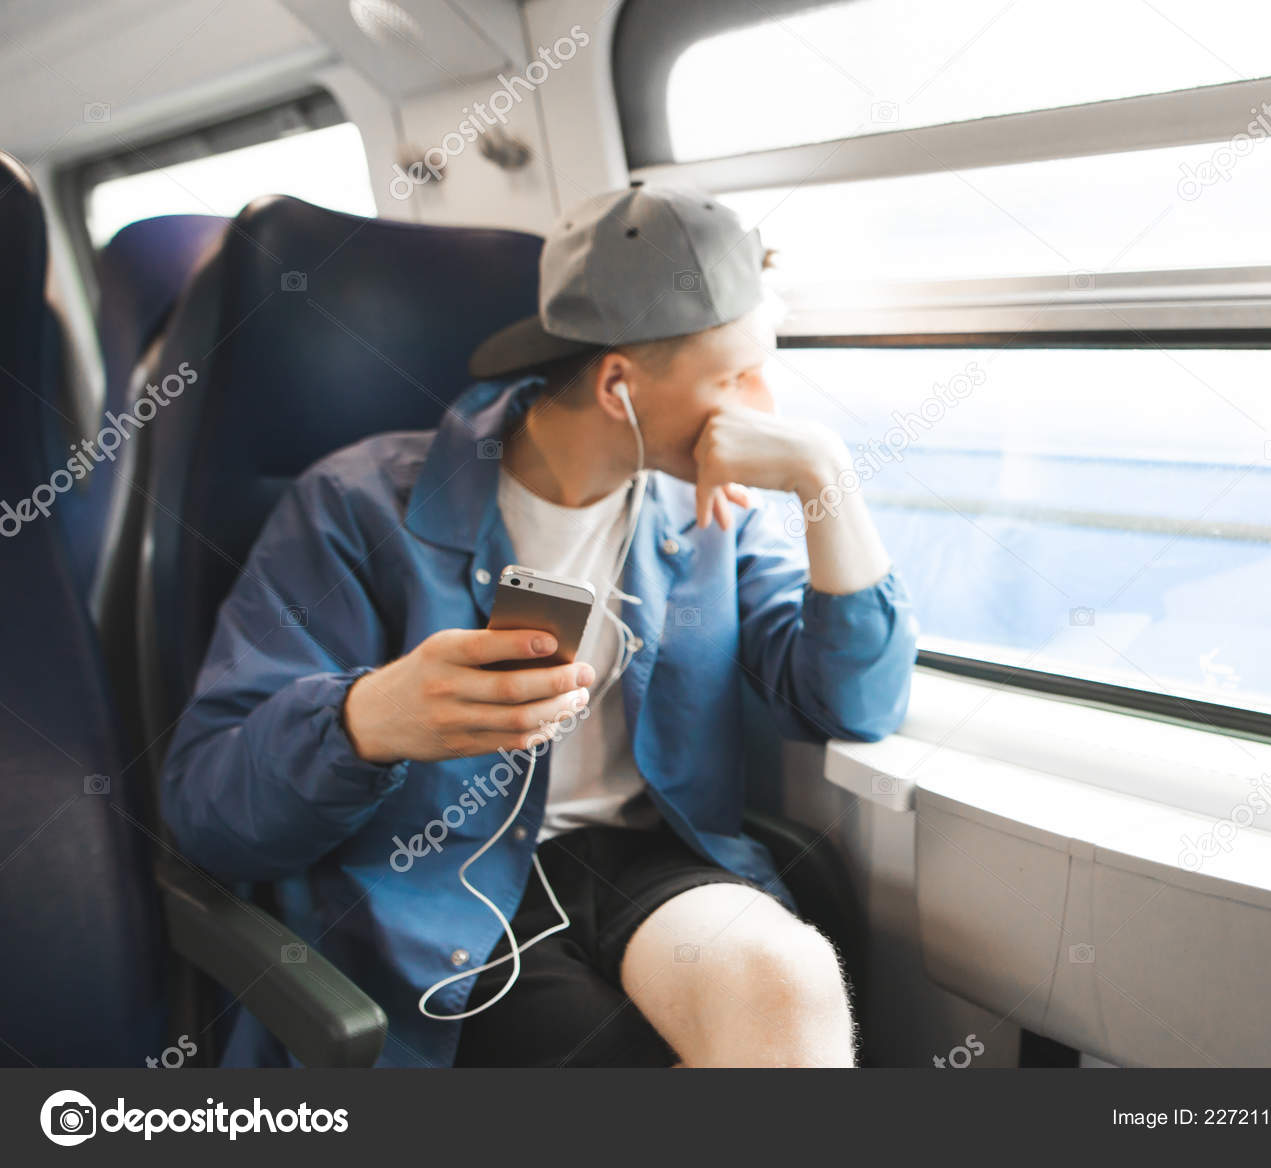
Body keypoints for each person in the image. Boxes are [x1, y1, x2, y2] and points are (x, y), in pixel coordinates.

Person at [159, 183, 918, 1068]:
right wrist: (366, 721)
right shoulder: (354, 506)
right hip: (435, 882)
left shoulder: (707, 514)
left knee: (787, 986)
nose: (766, 407)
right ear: (618, 385)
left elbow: (857, 703)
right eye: (733, 376)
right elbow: (205, 808)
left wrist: (828, 480)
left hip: (643, 861)